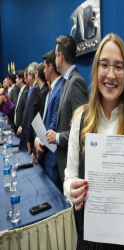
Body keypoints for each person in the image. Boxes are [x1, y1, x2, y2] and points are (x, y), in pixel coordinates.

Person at [64, 33, 124, 249]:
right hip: (90, 237)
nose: (111, 74)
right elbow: (68, 179)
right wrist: (72, 190)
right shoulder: (81, 119)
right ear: (96, 69)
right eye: (104, 65)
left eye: (118, 66)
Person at [46, 34, 88, 182]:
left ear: (61, 57)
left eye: (56, 55)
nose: (55, 58)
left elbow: (84, 130)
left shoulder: (75, 82)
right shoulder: (67, 81)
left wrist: (57, 137)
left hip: (73, 168)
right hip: (64, 164)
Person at [33, 50, 63, 191]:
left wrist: (41, 146)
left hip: (53, 156)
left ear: (50, 67)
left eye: (44, 67)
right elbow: (44, 121)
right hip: (46, 152)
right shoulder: (50, 90)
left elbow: (54, 125)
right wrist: (37, 140)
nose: (43, 70)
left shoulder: (60, 88)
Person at [19, 62, 40, 152]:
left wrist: (29, 138)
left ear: (31, 75)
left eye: (27, 75)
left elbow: (32, 116)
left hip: (33, 136)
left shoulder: (35, 89)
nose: (26, 78)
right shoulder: (32, 89)